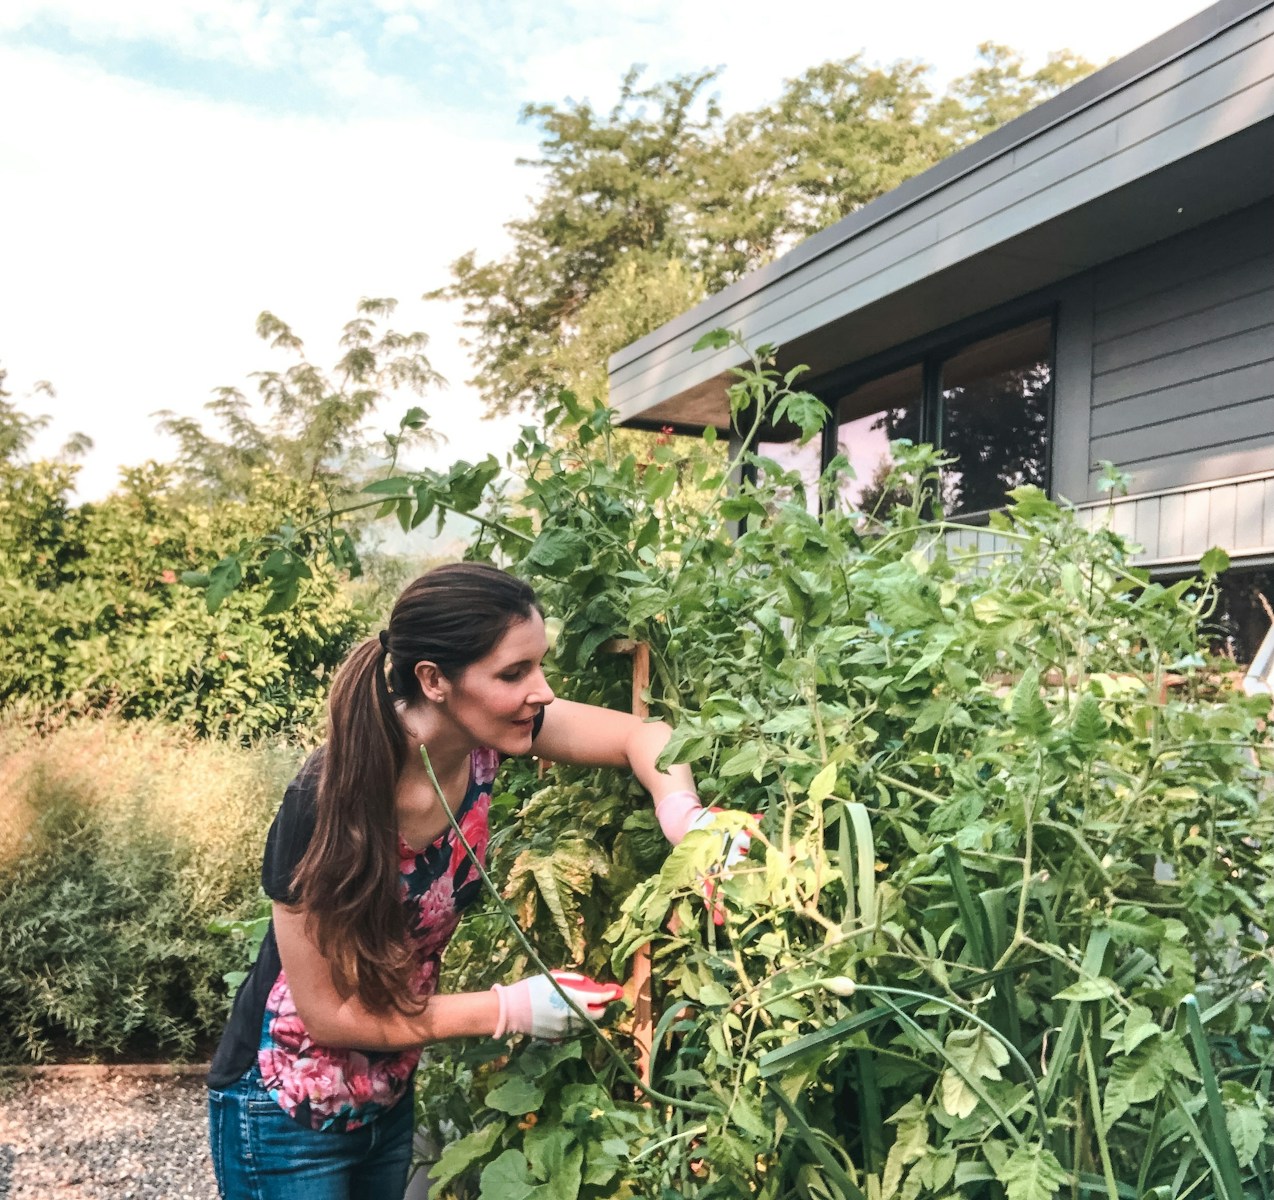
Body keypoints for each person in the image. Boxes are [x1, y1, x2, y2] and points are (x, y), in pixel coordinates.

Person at [205, 562, 743, 1200]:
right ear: (434, 681)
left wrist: (683, 813)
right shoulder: (326, 801)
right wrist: (507, 1008)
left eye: (538, 665)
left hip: (386, 1088)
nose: (540, 691)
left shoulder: (491, 736)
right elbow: (327, 1016)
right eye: (514, 674)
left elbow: (645, 734)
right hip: (285, 1103)